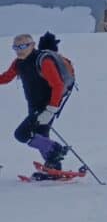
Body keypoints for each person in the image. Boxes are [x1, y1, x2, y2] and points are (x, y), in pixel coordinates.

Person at [0, 34, 69, 171]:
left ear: (32, 45)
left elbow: (58, 85)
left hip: (47, 105)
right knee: (41, 136)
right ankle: (54, 166)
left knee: (21, 134)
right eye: (16, 47)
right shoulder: (18, 63)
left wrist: (51, 109)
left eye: (23, 46)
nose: (19, 50)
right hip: (33, 104)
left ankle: (56, 149)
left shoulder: (43, 61)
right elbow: (7, 77)